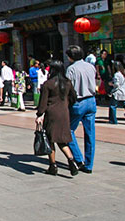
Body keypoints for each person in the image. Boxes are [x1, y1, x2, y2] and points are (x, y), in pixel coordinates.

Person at [36, 60, 79, 176]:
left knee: (50, 139)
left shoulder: (48, 84)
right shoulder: (67, 82)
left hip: (52, 114)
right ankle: (72, 162)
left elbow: (43, 102)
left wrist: (39, 114)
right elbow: (73, 97)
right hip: (64, 113)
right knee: (62, 140)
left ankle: (53, 165)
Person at [65, 45, 98, 173]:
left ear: (71, 56)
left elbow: (69, 88)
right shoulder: (90, 66)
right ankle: (89, 165)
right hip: (91, 100)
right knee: (90, 134)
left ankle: (78, 159)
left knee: (68, 130)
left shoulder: (71, 69)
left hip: (78, 102)